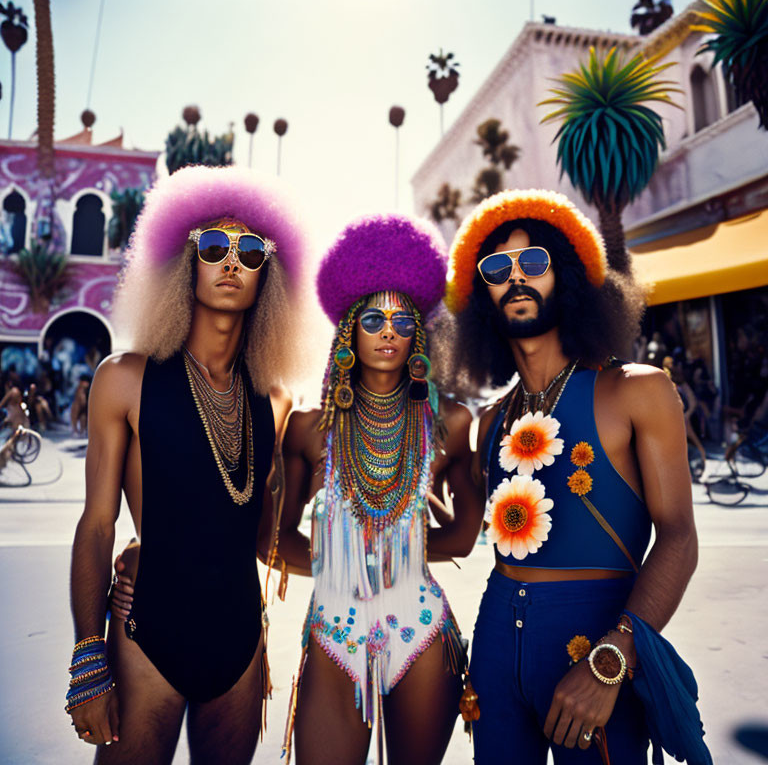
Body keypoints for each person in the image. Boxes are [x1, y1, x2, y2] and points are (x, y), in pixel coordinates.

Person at [444, 189, 710, 764]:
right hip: (492, 653)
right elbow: (452, 528)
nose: (516, 278)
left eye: (533, 262)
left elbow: (680, 538)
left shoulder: (637, 389)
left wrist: (614, 659)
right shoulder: (489, 420)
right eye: (496, 268)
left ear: (565, 275)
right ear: (481, 294)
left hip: (595, 651)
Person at [66, 165, 307, 765]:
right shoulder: (123, 379)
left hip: (241, 648)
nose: (231, 261)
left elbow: (258, 534)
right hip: (148, 638)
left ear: (268, 274)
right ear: (184, 260)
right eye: (213, 245)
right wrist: (88, 657)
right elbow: (97, 523)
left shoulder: (275, 398)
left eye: (251, 250)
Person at [277, 214, 482, 765]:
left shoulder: (453, 425)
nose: (388, 329)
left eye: (401, 318)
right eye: (372, 318)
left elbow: (464, 536)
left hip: (420, 628)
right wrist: (338, 560)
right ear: (348, 332)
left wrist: (398, 552)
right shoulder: (307, 428)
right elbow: (271, 538)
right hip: (333, 630)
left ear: (418, 332)